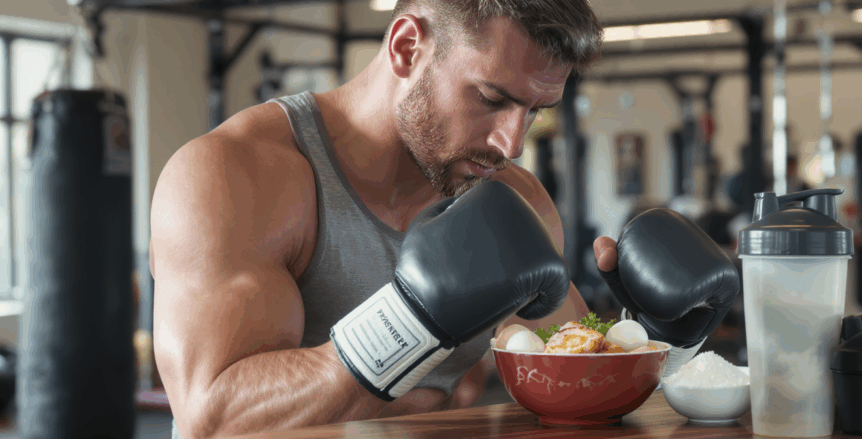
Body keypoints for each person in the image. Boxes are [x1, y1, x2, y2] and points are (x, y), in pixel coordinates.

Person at [150, 1, 739, 438]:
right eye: (490, 99)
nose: (511, 144)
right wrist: (407, 326)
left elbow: (573, 389)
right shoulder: (238, 174)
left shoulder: (515, 199)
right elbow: (213, 415)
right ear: (408, 48)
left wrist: (657, 343)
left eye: (534, 111)